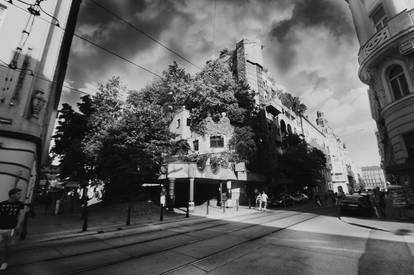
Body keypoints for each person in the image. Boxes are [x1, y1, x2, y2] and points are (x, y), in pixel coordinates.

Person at [0, 188, 25, 271]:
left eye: (19, 194)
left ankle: (5, 262)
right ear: (12, 195)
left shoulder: (20, 204)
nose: (20, 195)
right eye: (18, 194)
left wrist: (18, 225)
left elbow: (21, 215)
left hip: (11, 229)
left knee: (8, 247)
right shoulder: (2, 204)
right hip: (0, 228)